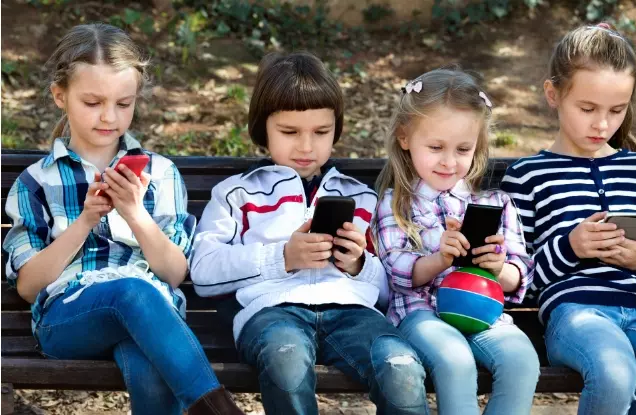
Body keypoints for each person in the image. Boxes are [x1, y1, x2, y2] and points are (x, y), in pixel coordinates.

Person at [1, 23, 243, 415]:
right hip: (68, 319)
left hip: (152, 316)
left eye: (123, 103)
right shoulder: (37, 182)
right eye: (92, 102)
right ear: (60, 96)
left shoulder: (161, 174)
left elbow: (173, 272)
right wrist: (83, 222)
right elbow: (29, 287)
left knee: (147, 359)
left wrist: (134, 212)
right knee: (130, 292)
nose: (109, 117)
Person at [190, 51, 429, 415]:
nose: (306, 146)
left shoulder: (361, 197)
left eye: (321, 132)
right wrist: (281, 257)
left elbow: (386, 289)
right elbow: (204, 273)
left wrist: (358, 264)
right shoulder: (236, 193)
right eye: (289, 132)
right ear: (262, 129)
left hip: (353, 313)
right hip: (271, 313)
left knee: (402, 366)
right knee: (286, 359)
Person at [500, 23, 636, 415]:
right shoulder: (527, 175)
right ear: (553, 94)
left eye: (617, 110)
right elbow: (518, 280)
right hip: (577, 312)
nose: (602, 124)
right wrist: (571, 247)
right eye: (587, 109)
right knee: (615, 371)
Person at [373, 67, 539, 415]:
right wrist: (440, 259)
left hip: (484, 313)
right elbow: (394, 272)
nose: (449, 162)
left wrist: (499, 266)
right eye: (435, 147)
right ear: (405, 137)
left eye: (463, 149)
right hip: (421, 314)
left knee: (521, 360)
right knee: (456, 360)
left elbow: (520, 273)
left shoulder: (495, 204)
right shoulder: (395, 202)